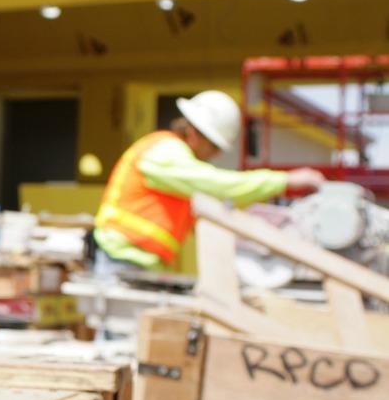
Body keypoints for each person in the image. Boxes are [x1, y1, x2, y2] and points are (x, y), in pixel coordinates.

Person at [93, 90, 324, 277]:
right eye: (214, 146)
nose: (214, 155)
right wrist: (285, 180)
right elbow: (217, 184)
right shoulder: (164, 152)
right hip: (122, 258)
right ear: (193, 132)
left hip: (141, 261)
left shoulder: (178, 163)